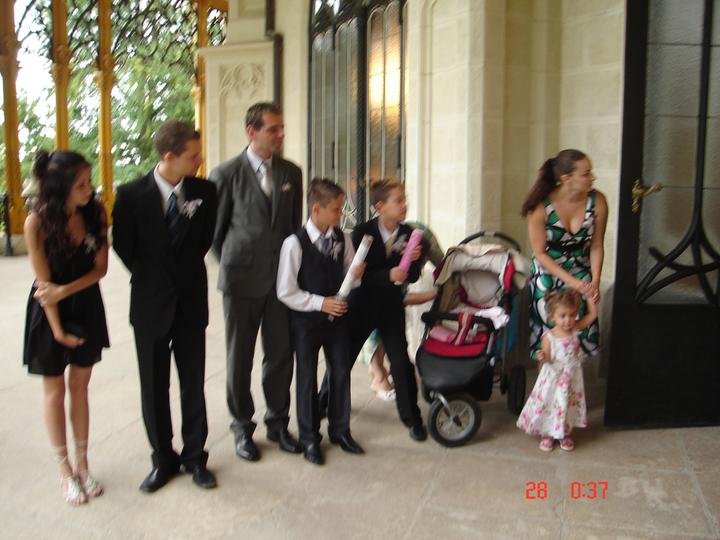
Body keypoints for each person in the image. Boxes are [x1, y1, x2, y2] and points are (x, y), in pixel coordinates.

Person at [112, 120, 218, 492]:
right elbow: (125, 247)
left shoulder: (205, 191)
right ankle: (163, 459)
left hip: (190, 302)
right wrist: (155, 279)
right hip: (149, 305)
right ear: (169, 156)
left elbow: (204, 241)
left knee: (193, 384)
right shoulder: (130, 195)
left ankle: (195, 457)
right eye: (193, 156)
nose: (199, 161)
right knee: (153, 387)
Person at [211, 102, 303, 462]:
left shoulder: (291, 172)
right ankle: (241, 427)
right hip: (241, 281)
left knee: (280, 355)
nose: (281, 134)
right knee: (240, 357)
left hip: (281, 282)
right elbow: (216, 234)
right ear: (252, 132)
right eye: (273, 129)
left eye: (282, 128)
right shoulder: (225, 174)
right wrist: (238, 262)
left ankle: (278, 423)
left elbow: (293, 228)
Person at [23, 150, 109, 505]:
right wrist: (57, 330)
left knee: (80, 387)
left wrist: (66, 290)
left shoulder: (95, 213)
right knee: (54, 392)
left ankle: (83, 464)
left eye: (89, 182)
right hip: (50, 312)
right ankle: (64, 469)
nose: (90, 189)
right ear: (60, 188)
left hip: (85, 304)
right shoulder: (36, 222)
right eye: (81, 185)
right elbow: (45, 286)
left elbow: (100, 269)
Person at [321, 179, 428, 441]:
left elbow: (411, 276)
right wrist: (387, 275)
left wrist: (414, 263)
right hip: (362, 304)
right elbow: (356, 274)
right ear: (380, 206)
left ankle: (412, 418)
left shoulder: (409, 234)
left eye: (405, 199)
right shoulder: (362, 233)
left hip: (391, 306)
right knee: (343, 357)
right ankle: (323, 402)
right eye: (398, 200)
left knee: (400, 361)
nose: (404, 205)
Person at [276, 179, 365, 465]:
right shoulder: (294, 244)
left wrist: (355, 274)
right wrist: (319, 302)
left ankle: (340, 430)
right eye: (336, 209)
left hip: (337, 319)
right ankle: (309, 438)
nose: (341, 213)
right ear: (317, 209)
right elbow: (286, 291)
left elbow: (351, 276)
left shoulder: (342, 238)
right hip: (306, 323)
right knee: (306, 377)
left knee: (340, 371)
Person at [521, 149, 608, 362]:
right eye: (586, 174)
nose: (593, 177)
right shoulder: (540, 207)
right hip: (548, 270)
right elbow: (540, 253)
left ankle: (572, 379)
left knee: (580, 329)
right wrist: (573, 283)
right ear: (566, 178)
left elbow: (597, 245)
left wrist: (595, 281)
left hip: (581, 267)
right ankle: (546, 381)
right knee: (549, 336)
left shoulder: (597, 201)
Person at [516, 289, 597, 451]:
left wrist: (589, 297)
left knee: (567, 404)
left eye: (572, 315)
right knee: (551, 404)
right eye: (562, 316)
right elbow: (547, 359)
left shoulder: (575, 329)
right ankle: (547, 433)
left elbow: (592, 315)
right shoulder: (549, 337)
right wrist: (542, 357)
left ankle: (564, 433)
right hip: (554, 377)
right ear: (552, 317)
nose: (568, 320)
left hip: (571, 377)